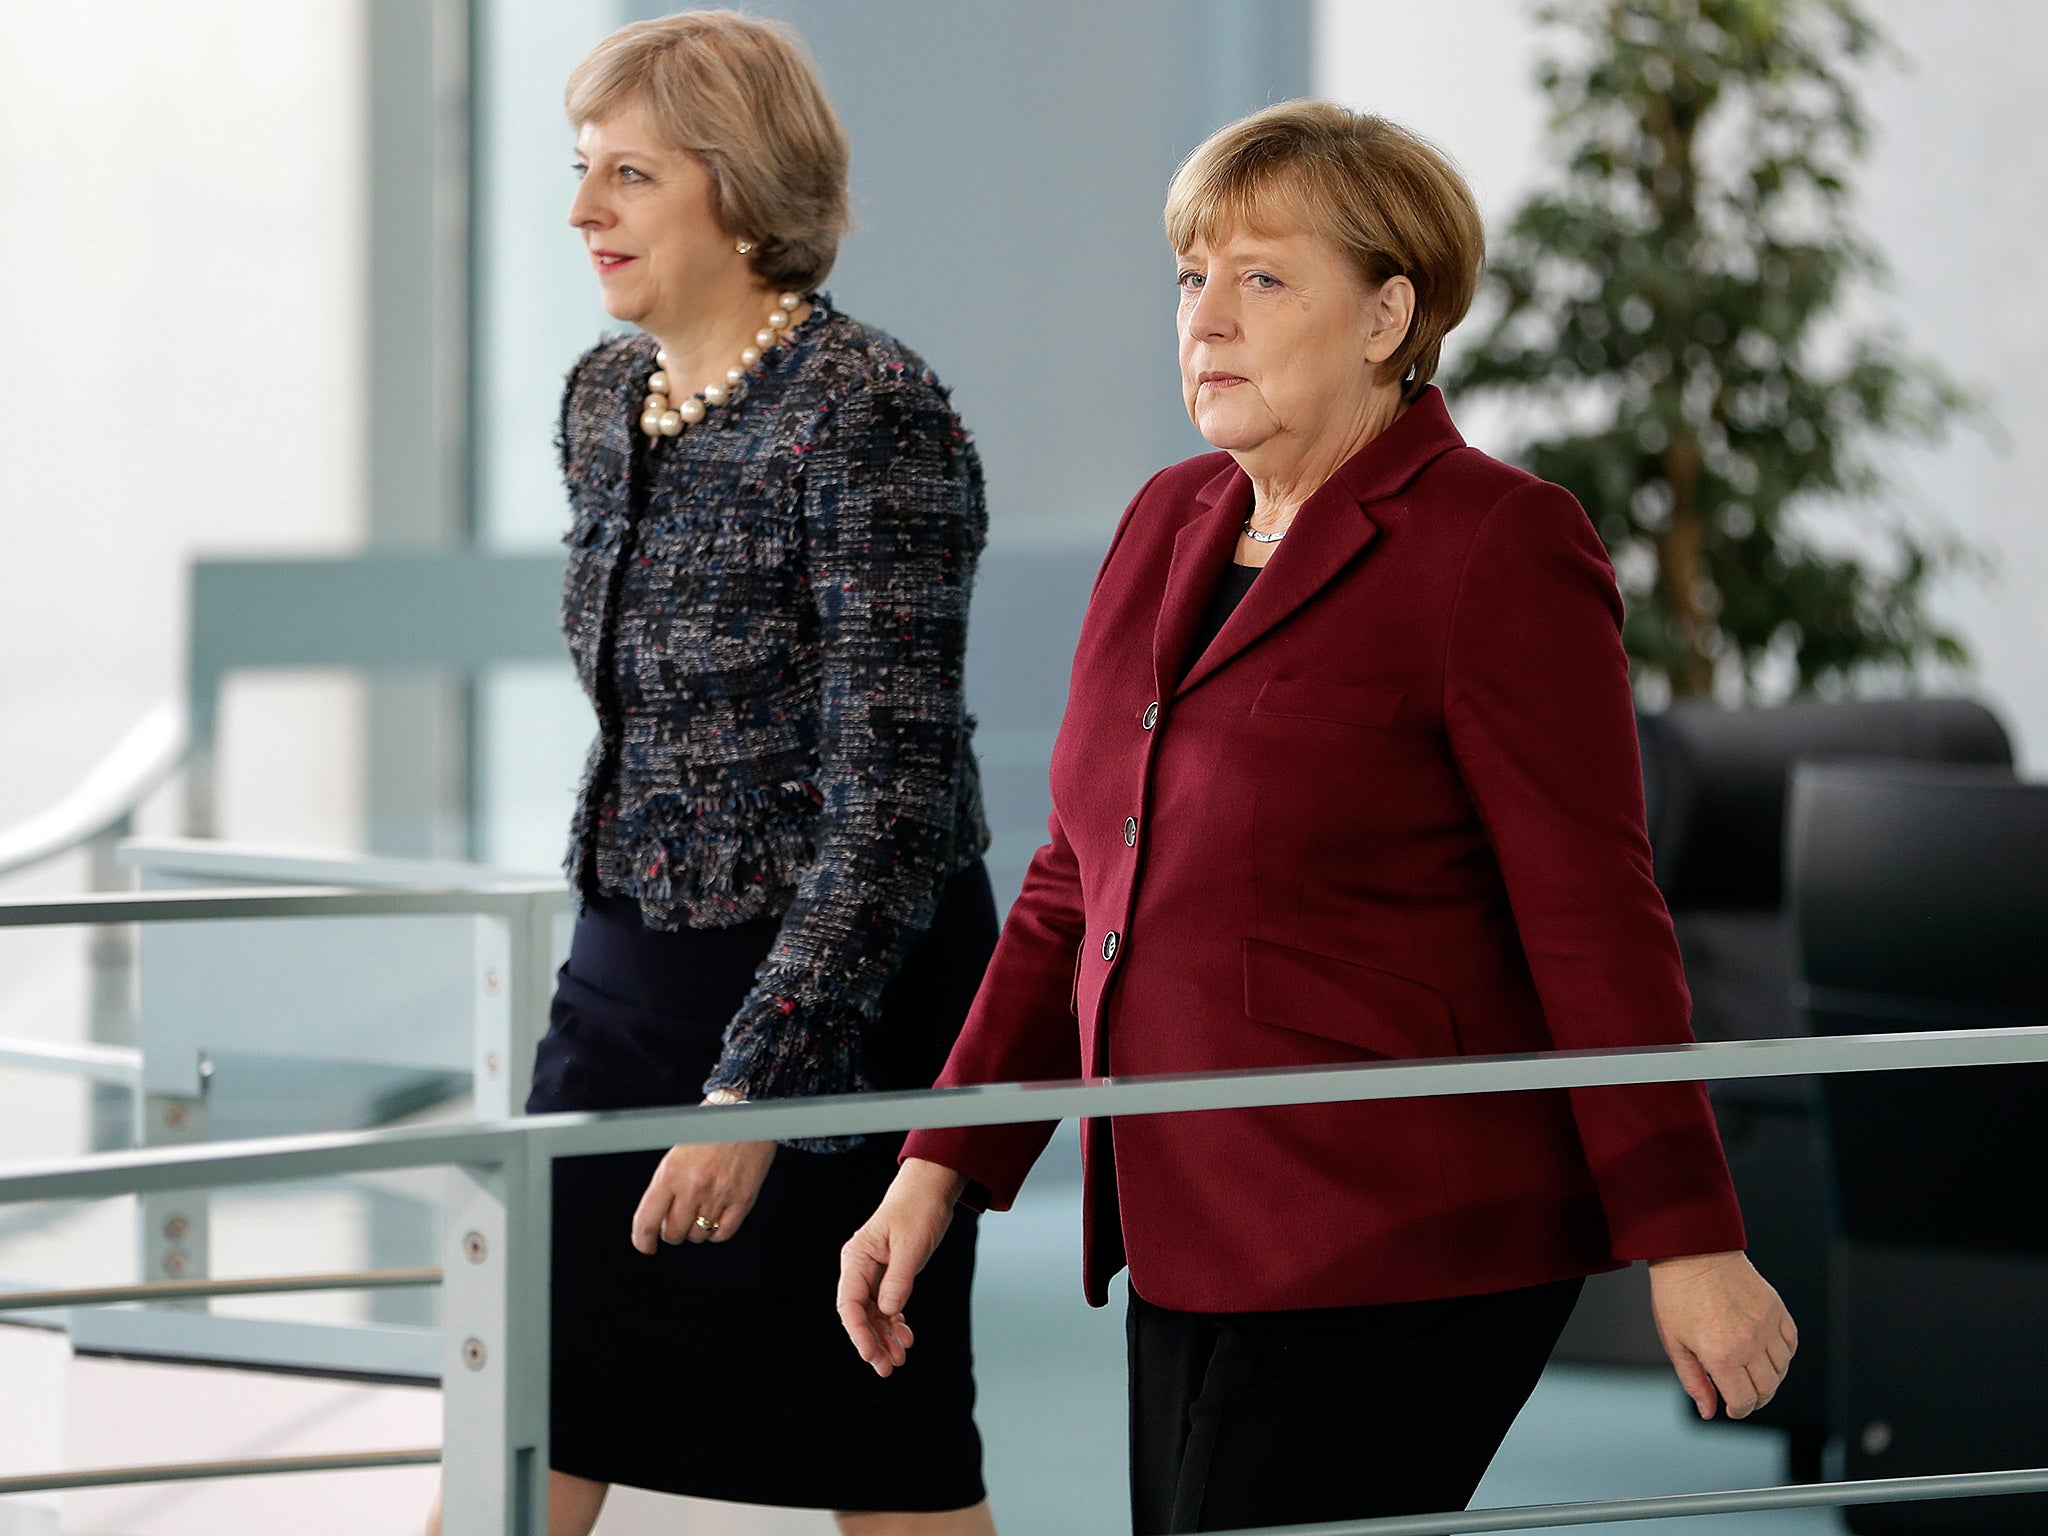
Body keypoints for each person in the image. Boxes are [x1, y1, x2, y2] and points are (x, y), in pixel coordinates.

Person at [839, 101, 1798, 1534]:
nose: (1206, 320)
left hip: (1404, 1230)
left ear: (1386, 315)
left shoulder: (1500, 542)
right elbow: (1072, 881)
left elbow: (1593, 910)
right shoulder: (1168, 518)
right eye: (1190, 278)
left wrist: (1689, 1236)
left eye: (1263, 278)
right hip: (1185, 1214)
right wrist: (943, 1162)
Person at [426, 13, 1001, 1536]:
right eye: (578, 171)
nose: (582, 212)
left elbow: (887, 803)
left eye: (628, 175)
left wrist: (759, 1091)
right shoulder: (600, 405)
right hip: (629, 973)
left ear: (740, 194)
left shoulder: (872, 414)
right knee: (527, 1393)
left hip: (848, 980)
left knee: (879, 1438)